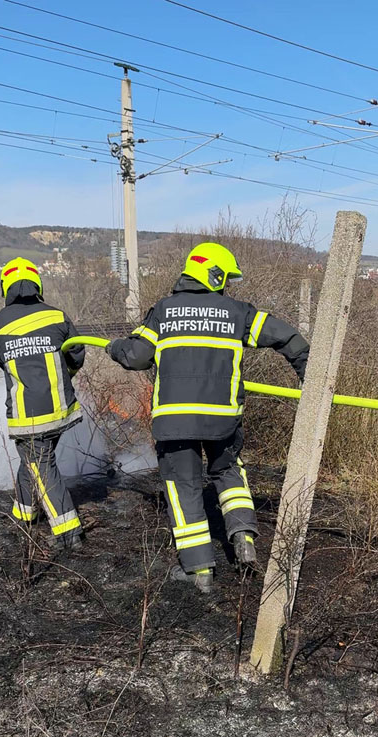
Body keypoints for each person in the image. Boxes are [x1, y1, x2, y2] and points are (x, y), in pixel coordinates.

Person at [107, 242, 309, 593]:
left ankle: (200, 571)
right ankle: (243, 534)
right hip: (222, 419)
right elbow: (288, 338)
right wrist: (311, 377)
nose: (228, 285)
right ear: (214, 275)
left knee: (183, 487)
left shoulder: (164, 312)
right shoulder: (237, 312)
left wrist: (115, 347)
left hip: (175, 421)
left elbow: (137, 356)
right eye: (226, 278)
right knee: (228, 470)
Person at [0, 257, 86, 551]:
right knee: (32, 459)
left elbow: (2, 364)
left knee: (40, 464)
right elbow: (76, 353)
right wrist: (63, 376)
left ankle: (70, 533)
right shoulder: (57, 316)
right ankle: (23, 513)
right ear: (36, 283)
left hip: (28, 416)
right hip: (61, 409)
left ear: (6, 287)